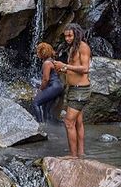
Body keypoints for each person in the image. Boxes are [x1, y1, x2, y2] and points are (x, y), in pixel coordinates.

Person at [53, 23, 91, 158]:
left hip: (80, 91)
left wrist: (65, 65)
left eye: (70, 35)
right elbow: (74, 67)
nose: (67, 39)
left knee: (68, 122)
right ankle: (80, 153)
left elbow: (85, 69)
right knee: (78, 122)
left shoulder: (83, 47)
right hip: (73, 89)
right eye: (66, 36)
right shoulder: (72, 48)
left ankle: (73, 155)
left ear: (76, 34)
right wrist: (63, 69)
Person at [33, 42, 63, 123]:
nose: (37, 53)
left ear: (42, 52)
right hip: (58, 87)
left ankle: (40, 125)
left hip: (53, 87)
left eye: (38, 51)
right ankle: (49, 127)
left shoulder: (46, 63)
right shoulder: (53, 61)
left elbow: (46, 79)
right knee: (46, 108)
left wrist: (40, 89)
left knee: (35, 103)